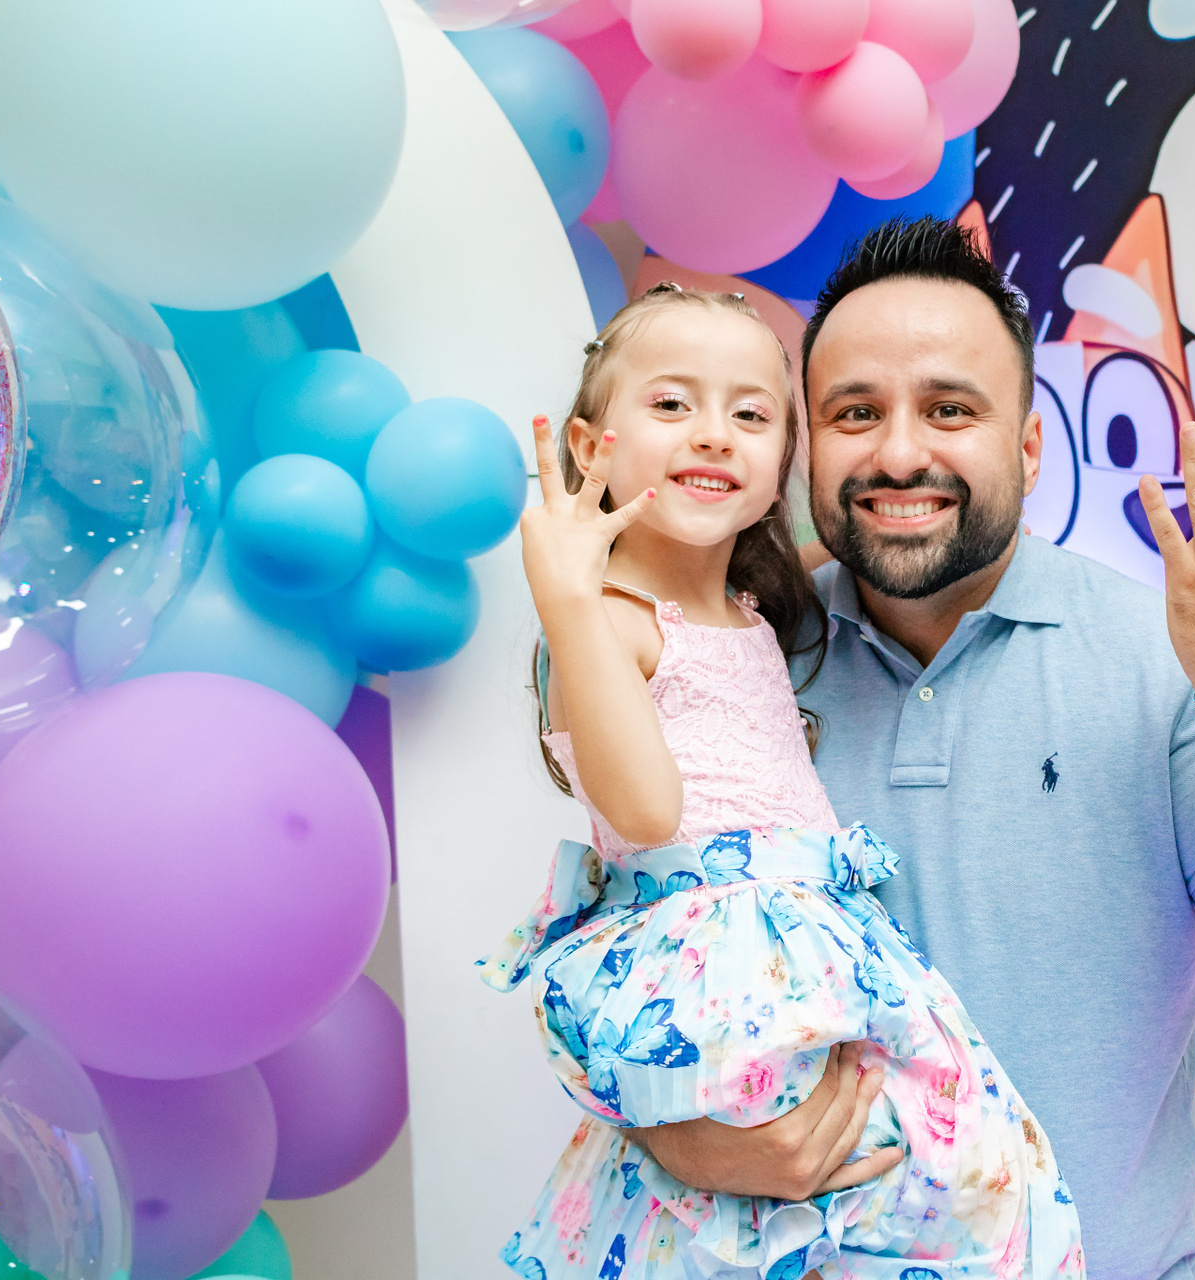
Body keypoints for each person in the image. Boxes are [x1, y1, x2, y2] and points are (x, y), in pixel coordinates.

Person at [619, 219, 1195, 1279]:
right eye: (856, 413)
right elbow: (622, 958)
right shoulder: (736, 659)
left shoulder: (1163, 659)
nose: (899, 453)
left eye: (950, 409)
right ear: (809, 447)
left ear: (1030, 447)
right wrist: (670, 1127)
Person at [481, 282, 1086, 1278]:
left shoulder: (757, 609)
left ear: (780, 474)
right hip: (721, 965)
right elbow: (646, 812)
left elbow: (855, 556)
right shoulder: (608, 623)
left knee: (953, 1179)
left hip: (821, 950)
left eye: (751, 416)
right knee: (753, 1221)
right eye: (671, 404)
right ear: (590, 447)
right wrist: (568, 597)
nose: (713, 434)